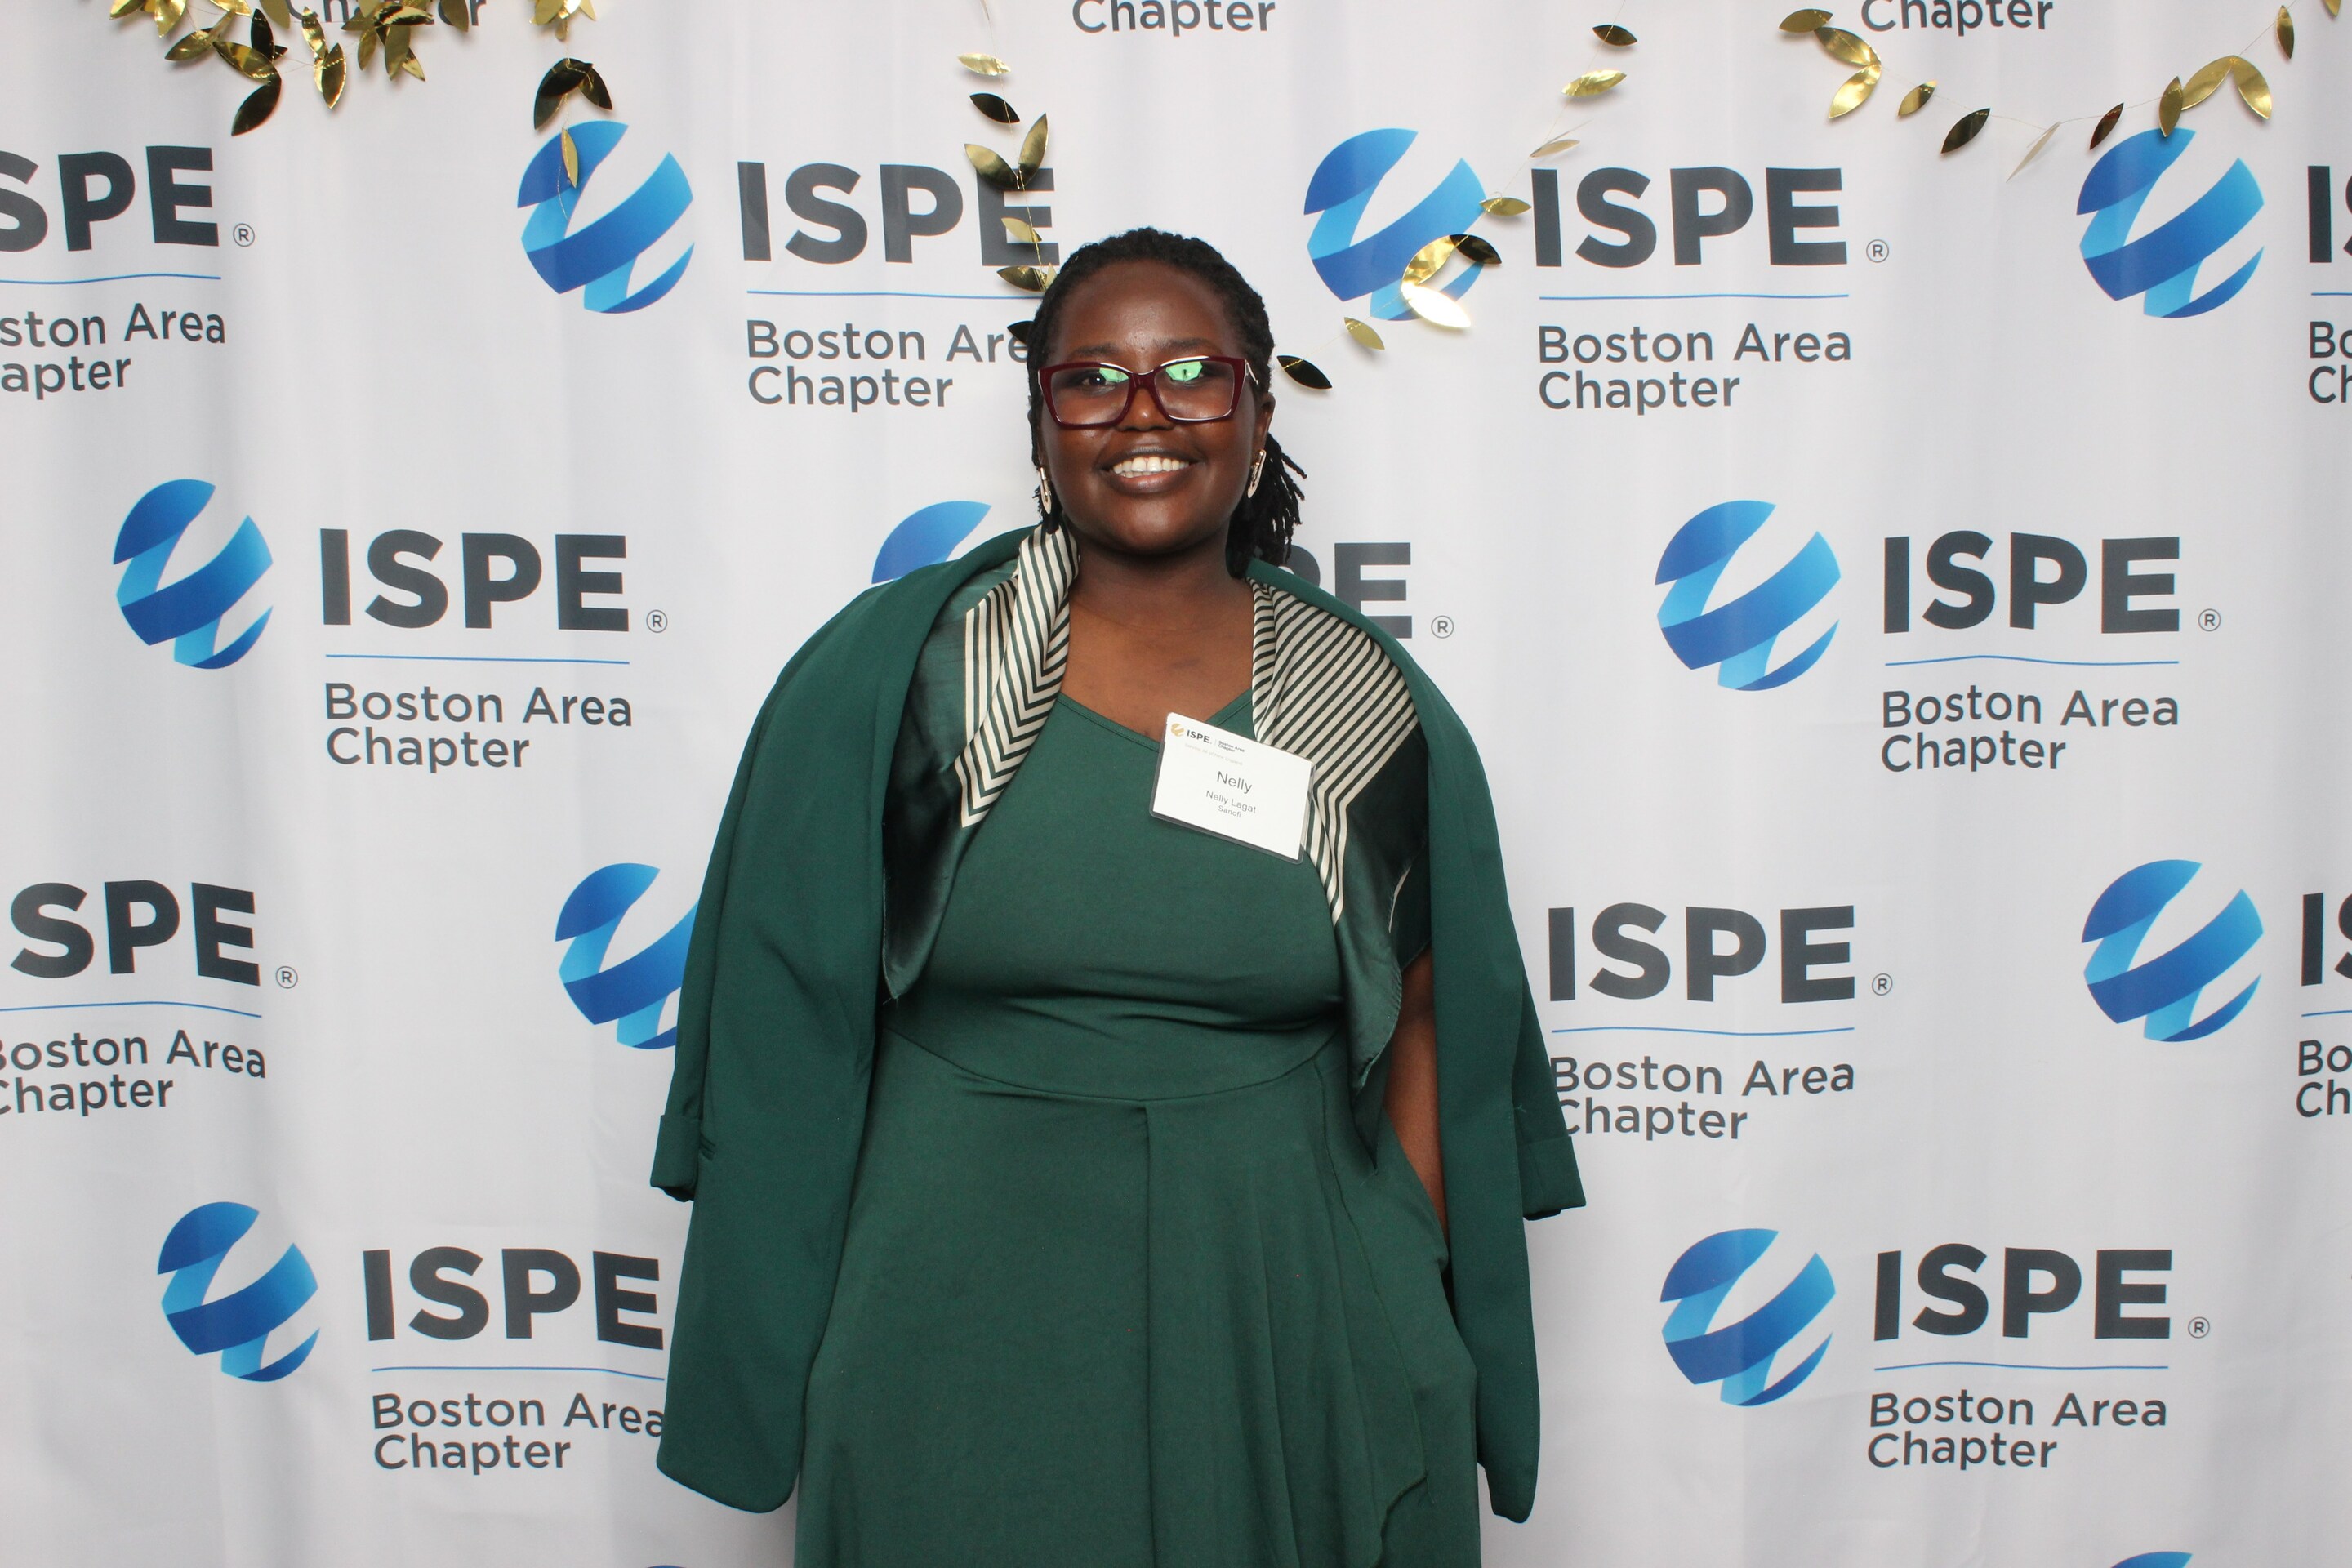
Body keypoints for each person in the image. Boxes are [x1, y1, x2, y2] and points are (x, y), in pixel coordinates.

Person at [648, 228, 1583, 1566]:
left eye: (1192, 373)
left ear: (1258, 412)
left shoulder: (1364, 700)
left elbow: (1434, 1016)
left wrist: (1399, 1280)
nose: (1145, 413)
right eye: (1091, 379)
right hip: (949, 1301)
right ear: (1042, 426)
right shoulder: (907, 676)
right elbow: (778, 1024)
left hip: (1286, 1288)